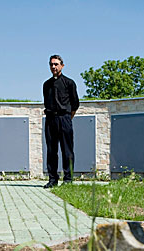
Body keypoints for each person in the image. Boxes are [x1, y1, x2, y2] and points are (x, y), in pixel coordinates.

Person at [42, 54, 80, 188]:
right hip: (50, 119)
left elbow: (75, 104)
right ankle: (53, 179)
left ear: (62, 66)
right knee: (51, 151)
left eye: (56, 64)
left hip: (64, 118)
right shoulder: (46, 85)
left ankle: (68, 179)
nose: (53, 67)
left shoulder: (69, 83)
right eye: (51, 64)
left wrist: (67, 118)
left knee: (67, 151)